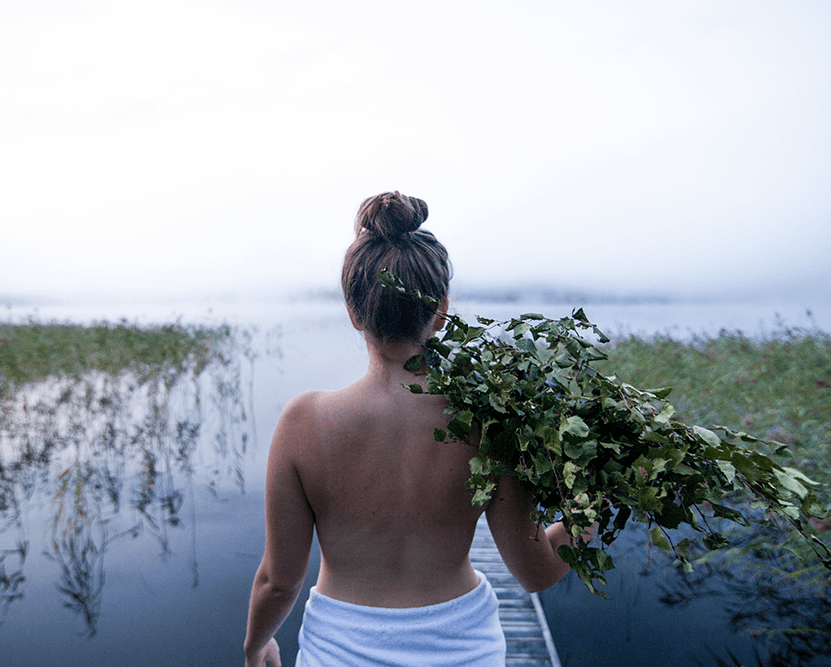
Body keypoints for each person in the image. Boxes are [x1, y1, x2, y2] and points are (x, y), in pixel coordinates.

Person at [244, 191, 585, 667]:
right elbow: (535, 573)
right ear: (441, 311)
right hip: (464, 648)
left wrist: (256, 645)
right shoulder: (490, 422)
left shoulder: (302, 424)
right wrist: (591, 512)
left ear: (353, 311)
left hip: (340, 650)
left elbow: (278, 582)